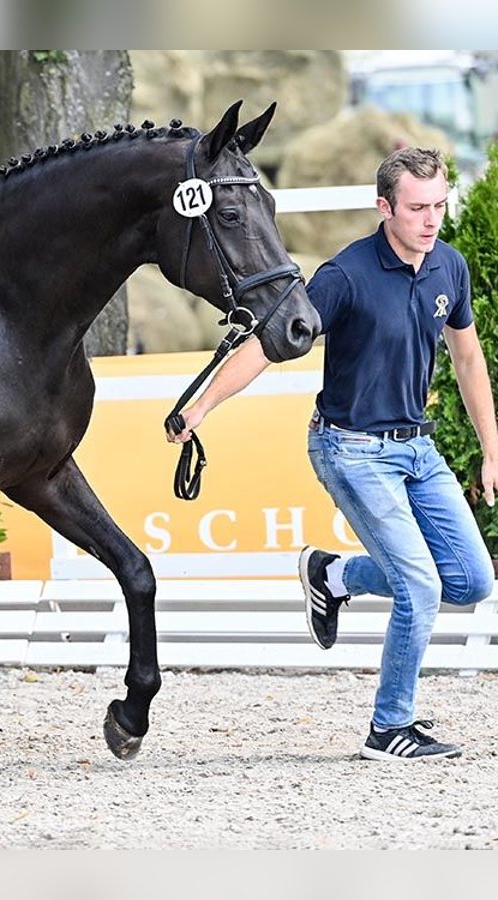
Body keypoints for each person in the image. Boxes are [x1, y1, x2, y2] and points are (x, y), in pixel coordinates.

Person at [168, 147, 497, 761]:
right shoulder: (344, 277)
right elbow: (269, 346)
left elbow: (469, 357)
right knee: (420, 587)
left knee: (472, 580)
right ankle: (389, 727)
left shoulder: (448, 266)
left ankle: (334, 574)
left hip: (417, 448)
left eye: (439, 205)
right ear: (385, 208)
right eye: (418, 208)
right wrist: (202, 405)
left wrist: (491, 449)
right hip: (350, 448)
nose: (431, 219)